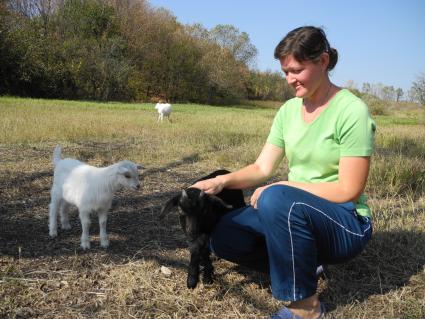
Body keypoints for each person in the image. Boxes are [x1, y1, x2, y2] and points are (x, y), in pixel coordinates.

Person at [192, 26, 376, 319]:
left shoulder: (351, 111)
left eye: (297, 70)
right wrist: (220, 181)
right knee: (224, 234)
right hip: (293, 210)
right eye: (285, 72)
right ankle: (302, 264)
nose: (290, 79)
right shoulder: (288, 111)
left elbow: (348, 190)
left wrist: (284, 187)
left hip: (345, 221)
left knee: (277, 198)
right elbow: (261, 168)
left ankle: (305, 307)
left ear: (323, 61)